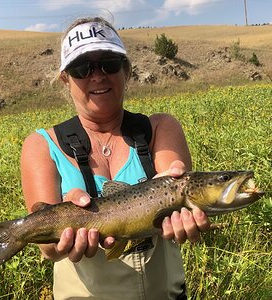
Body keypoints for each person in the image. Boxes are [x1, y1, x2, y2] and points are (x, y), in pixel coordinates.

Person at [21, 16, 210, 300]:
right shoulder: (41, 145)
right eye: (82, 68)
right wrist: (60, 236)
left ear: (127, 70)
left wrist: (175, 193)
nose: (97, 76)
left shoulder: (159, 128)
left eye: (108, 63)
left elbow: (177, 186)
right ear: (65, 79)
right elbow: (48, 249)